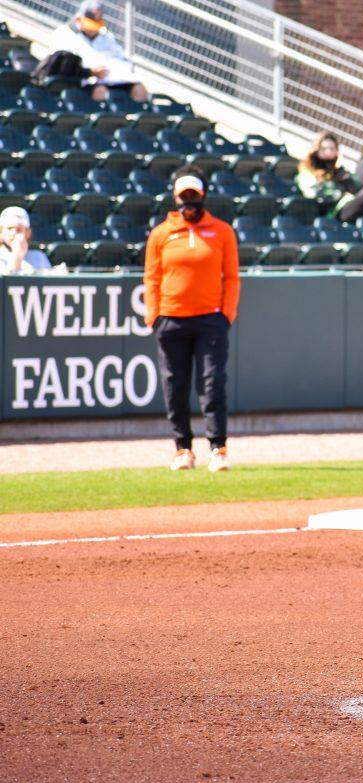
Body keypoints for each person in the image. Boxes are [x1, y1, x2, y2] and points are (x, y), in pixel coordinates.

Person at [143, 167, 239, 473]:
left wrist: (227, 314)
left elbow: (232, 277)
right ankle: (183, 449)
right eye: (184, 197)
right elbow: (152, 277)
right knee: (176, 386)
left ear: (203, 196)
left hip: (210, 319)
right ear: (175, 198)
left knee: (212, 383)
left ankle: (218, 448)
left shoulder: (222, 231)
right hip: (171, 319)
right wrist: (153, 316)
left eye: (194, 197)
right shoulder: (161, 234)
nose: (189, 203)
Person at [46, 0, 149, 102]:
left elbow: (121, 58)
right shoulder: (64, 34)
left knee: (140, 90)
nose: (93, 30)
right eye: (90, 25)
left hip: (114, 80)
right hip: (81, 83)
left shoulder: (107, 36)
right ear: (79, 20)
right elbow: (59, 67)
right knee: (101, 92)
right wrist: (91, 72)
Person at [295, 131, 358, 219]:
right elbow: (312, 194)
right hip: (319, 214)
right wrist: (339, 190)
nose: (328, 152)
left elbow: (355, 190)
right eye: (324, 149)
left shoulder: (338, 172)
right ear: (316, 150)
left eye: (332, 149)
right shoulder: (307, 170)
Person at [0, 207, 53, 275]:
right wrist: (17, 256)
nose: (14, 233)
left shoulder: (39, 256)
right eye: (9, 228)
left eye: (19, 229)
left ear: (28, 233)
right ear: (1, 232)